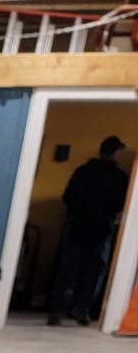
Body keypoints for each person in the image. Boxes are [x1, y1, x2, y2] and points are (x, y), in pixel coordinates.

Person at [47, 133, 129, 325]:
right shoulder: (119, 177)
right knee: (93, 272)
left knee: (67, 271)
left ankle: (57, 311)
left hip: (76, 228)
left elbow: (67, 197)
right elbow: (120, 204)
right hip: (101, 230)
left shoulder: (82, 171)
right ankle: (82, 310)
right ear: (115, 153)